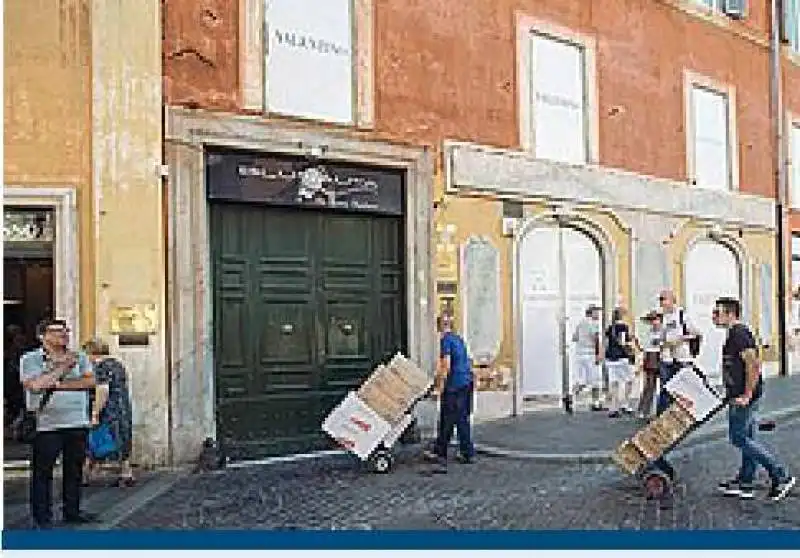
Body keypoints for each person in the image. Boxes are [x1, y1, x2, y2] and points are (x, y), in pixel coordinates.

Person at [714, 297, 796, 501]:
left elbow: (753, 365)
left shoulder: (739, 334)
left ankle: (781, 475)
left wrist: (746, 395)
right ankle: (746, 482)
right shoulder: (734, 334)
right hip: (739, 395)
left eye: (717, 312)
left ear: (730, 314)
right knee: (748, 438)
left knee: (739, 438)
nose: (713, 317)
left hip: (745, 397)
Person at [19, 318, 96, 528]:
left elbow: (90, 381)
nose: (64, 334)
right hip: (46, 425)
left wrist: (58, 384)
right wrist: (63, 368)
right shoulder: (31, 359)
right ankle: (42, 516)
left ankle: (72, 510)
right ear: (42, 336)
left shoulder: (79, 356)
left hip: (77, 421)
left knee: (74, 470)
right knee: (43, 473)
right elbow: (35, 385)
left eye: (65, 330)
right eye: (57, 331)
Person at [424, 313, 475, 470]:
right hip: (466, 383)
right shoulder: (458, 339)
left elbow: (446, 365)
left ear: (438, 326)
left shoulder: (445, 341)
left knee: (448, 419)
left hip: (455, 386)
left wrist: (438, 388)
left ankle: (445, 452)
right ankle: (462, 452)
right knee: (460, 419)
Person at [82, 338, 135, 487]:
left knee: (96, 440)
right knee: (121, 439)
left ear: (91, 353)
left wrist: (95, 413)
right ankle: (126, 473)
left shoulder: (101, 367)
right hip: (122, 407)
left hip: (109, 410)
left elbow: (102, 391)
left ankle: (85, 474)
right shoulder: (118, 364)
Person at [657, 289, 701, 414]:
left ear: (672, 300)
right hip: (666, 358)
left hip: (682, 358)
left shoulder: (682, 315)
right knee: (666, 389)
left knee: (683, 388)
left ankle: (686, 414)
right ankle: (662, 417)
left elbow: (696, 333)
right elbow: (658, 337)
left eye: (664, 299)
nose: (662, 302)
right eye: (660, 299)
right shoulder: (661, 317)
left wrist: (680, 339)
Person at [571, 305, 604, 411]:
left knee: (581, 381)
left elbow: (574, 337)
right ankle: (596, 403)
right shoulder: (593, 324)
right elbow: (596, 339)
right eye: (596, 312)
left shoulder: (580, 323)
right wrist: (599, 354)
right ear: (591, 313)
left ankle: (571, 396)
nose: (598, 315)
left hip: (579, 354)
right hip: (590, 354)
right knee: (595, 380)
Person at [605, 307, 636, 418]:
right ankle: (625, 404)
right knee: (629, 380)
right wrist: (631, 345)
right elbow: (623, 342)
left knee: (614, 383)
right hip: (621, 357)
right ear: (623, 316)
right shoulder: (623, 327)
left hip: (610, 358)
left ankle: (613, 407)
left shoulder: (610, 327)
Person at [637, 310, 663, 421]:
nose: (653, 322)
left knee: (663, 386)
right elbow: (646, 347)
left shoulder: (664, 330)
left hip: (661, 357)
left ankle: (660, 411)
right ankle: (643, 410)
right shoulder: (649, 332)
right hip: (651, 356)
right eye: (651, 320)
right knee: (649, 385)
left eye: (655, 319)